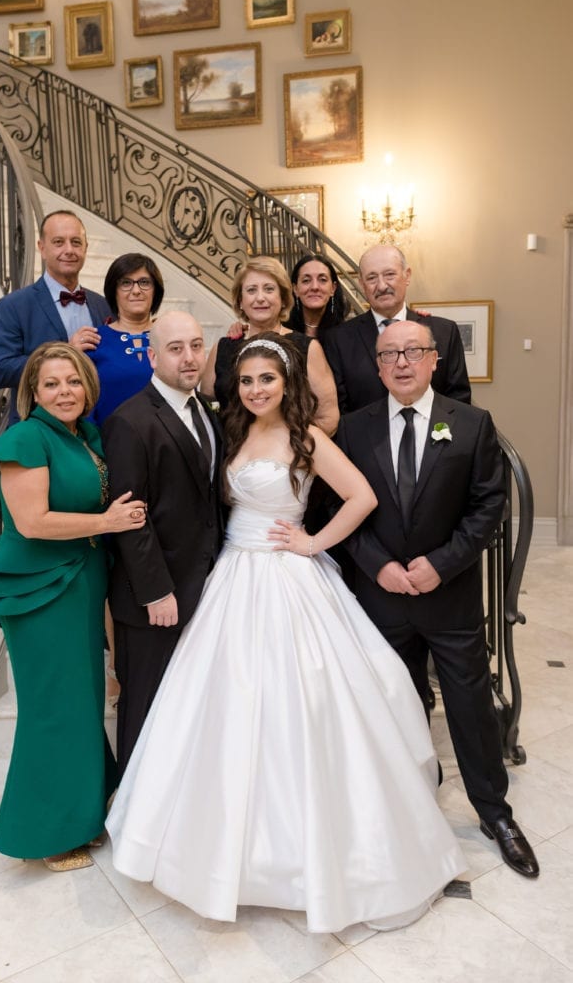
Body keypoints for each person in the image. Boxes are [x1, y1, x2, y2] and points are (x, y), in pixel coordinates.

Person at [105, 332, 467, 933]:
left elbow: (362, 497)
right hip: (230, 577)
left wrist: (311, 542)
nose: (254, 390)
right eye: (245, 381)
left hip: (288, 576)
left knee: (306, 702)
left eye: (265, 380)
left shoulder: (308, 438)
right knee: (220, 705)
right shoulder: (232, 433)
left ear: (285, 383)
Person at [336, 320, 539, 879]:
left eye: (413, 352)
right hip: (381, 599)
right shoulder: (352, 431)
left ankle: (495, 814)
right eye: (390, 354)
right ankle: (405, 808)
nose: (402, 362)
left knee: (470, 707)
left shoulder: (472, 425)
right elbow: (338, 514)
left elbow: (488, 507)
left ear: (433, 361)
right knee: (393, 704)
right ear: (378, 367)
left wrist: (441, 565)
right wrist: (379, 567)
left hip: (448, 600)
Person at [0, 342, 146, 871]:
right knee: (53, 709)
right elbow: (33, 522)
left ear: (87, 387)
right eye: (51, 384)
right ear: (33, 392)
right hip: (39, 588)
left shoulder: (83, 436)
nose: (64, 392)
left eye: (72, 381)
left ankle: (82, 814)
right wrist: (106, 524)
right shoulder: (24, 438)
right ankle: (45, 833)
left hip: (80, 581)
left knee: (81, 702)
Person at [101, 311, 225, 783]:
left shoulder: (206, 412)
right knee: (145, 705)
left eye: (196, 345)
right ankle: (133, 808)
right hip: (155, 596)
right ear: (153, 356)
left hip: (205, 585)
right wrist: (155, 591)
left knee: (186, 705)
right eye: (176, 348)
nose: (189, 357)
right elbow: (131, 519)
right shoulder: (130, 422)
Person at [0, 210, 110, 423]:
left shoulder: (103, 305)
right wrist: (65, 352)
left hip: (97, 429)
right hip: (39, 429)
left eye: (76, 242)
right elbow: (0, 370)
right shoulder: (13, 306)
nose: (69, 250)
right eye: (58, 242)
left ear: (85, 248)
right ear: (42, 248)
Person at [323, 243, 471, 412]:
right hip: (365, 437)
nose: (382, 286)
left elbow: (459, 401)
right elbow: (338, 409)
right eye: (371, 278)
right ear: (362, 284)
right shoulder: (339, 340)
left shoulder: (444, 332)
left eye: (389, 275)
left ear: (407, 276)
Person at [201, 255, 339, 436]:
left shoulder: (307, 348)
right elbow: (207, 408)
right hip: (232, 456)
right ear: (240, 301)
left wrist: (286, 448)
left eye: (269, 289)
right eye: (251, 290)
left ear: (282, 298)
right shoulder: (223, 348)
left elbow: (328, 418)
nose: (260, 298)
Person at [88, 253, 164, 426]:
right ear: (113, 291)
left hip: (164, 446)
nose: (136, 291)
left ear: (155, 290)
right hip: (107, 446)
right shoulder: (94, 341)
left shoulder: (171, 339)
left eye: (144, 282)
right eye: (126, 283)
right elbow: (85, 407)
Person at [285, 253, 350, 341]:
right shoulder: (283, 334)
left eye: (322, 280)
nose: (314, 287)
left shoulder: (347, 335)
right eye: (306, 280)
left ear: (333, 288)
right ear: (295, 289)